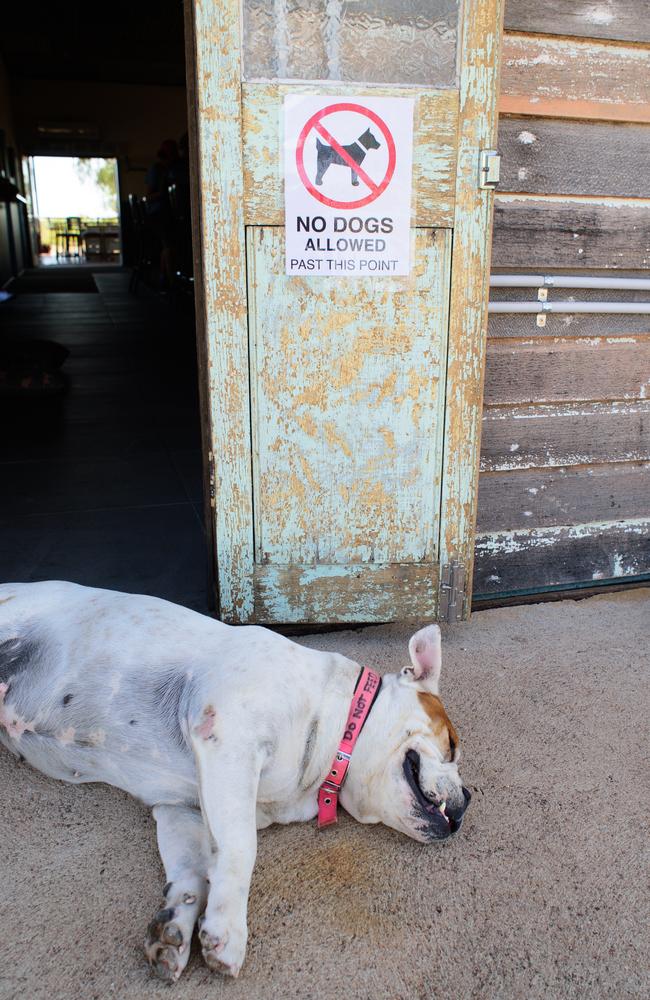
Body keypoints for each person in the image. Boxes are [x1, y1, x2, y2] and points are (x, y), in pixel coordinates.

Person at [144, 139, 179, 290]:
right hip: (159, 214)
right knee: (169, 244)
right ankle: (171, 284)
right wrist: (164, 194)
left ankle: (167, 280)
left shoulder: (174, 169)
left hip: (168, 214)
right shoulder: (157, 170)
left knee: (170, 244)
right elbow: (149, 195)